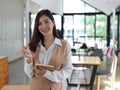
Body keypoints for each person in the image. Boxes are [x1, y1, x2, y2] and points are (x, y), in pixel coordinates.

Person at [21, 9, 72, 90]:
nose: (43, 26)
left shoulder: (65, 45)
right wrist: (30, 59)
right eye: (40, 23)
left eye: (46, 22)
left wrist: (47, 73)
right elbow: (30, 74)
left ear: (53, 22)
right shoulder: (32, 46)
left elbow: (67, 70)